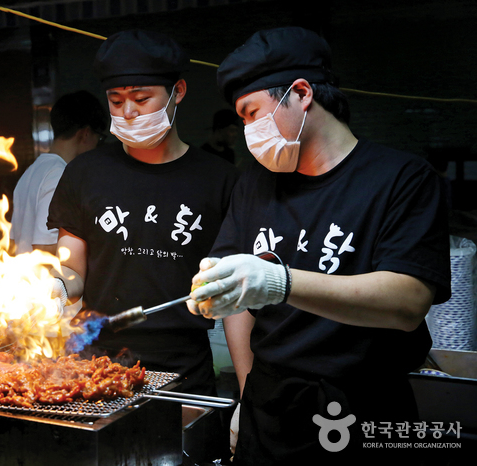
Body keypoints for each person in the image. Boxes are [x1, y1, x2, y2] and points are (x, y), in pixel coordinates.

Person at [187, 27, 450, 464]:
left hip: (363, 409)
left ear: (302, 93)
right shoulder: (255, 185)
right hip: (269, 409)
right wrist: (246, 396)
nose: (249, 131)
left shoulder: (403, 179)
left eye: (253, 113)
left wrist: (279, 282)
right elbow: (238, 305)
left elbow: (407, 303)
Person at [47, 29, 239, 398]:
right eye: (116, 101)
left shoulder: (220, 180)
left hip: (186, 366)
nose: (128, 112)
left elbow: (234, 297)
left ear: (178, 92)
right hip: (100, 365)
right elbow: (71, 269)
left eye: (141, 98)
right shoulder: (85, 173)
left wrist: (249, 396)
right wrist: (56, 286)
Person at [10, 91, 108, 255]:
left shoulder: (32, 171)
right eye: (99, 139)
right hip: (46, 279)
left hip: (24, 277)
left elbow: (12, 243)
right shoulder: (60, 175)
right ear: (85, 133)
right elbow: (45, 248)